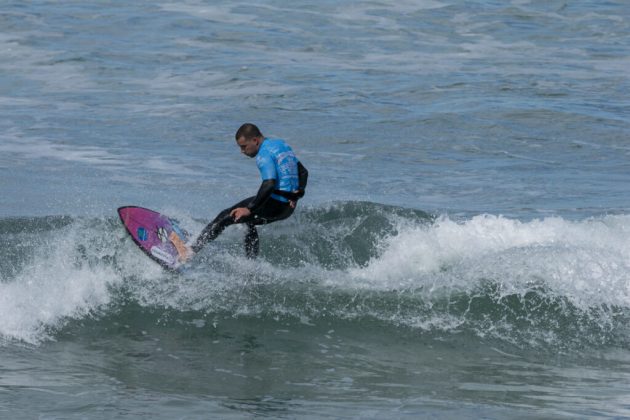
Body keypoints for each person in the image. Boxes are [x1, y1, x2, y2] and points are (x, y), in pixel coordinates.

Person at [189, 123, 308, 259]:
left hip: (274, 205)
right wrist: (296, 195)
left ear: (255, 141)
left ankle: (191, 251)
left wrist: (250, 209)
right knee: (249, 222)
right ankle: (251, 265)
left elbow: (269, 184)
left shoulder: (263, 154)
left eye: (244, 146)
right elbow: (303, 173)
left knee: (226, 216)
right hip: (287, 209)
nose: (242, 151)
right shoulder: (281, 146)